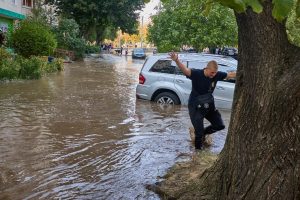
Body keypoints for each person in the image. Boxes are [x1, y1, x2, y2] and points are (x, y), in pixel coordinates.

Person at [169, 52, 236, 150]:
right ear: (206, 68)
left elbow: (230, 75)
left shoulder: (216, 75)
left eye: (215, 73)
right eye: (212, 72)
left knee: (220, 125)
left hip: (209, 105)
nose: (213, 75)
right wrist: (176, 60)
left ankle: (202, 132)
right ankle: (198, 154)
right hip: (195, 107)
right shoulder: (197, 74)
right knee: (199, 134)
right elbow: (186, 71)